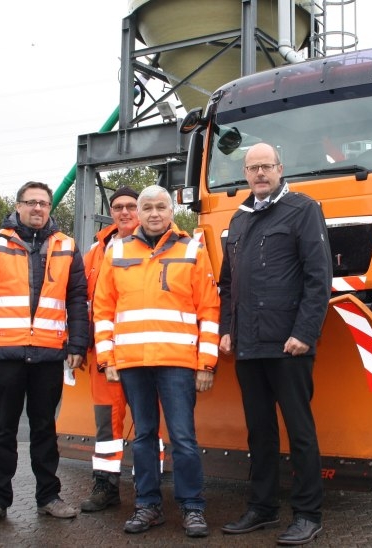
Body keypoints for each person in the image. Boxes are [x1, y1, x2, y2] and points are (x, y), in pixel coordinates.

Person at [218, 143, 333, 546]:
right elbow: (229, 283)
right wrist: (226, 328)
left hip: (288, 345)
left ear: (280, 169)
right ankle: (262, 508)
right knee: (259, 432)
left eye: (266, 166)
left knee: (300, 431)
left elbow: (319, 277)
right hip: (248, 346)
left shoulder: (303, 210)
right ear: (245, 174)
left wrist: (304, 333)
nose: (260, 173)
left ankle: (307, 514)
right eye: (253, 168)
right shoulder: (239, 217)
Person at [92, 185, 219, 538]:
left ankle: (192, 507)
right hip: (133, 362)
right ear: (140, 212)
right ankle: (147, 506)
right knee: (144, 436)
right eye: (146, 207)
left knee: (183, 437)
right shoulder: (116, 250)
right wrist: (107, 358)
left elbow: (209, 310)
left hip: (177, 362)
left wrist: (206, 363)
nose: (153, 213)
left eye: (160, 206)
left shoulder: (192, 249)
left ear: (171, 210)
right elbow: (102, 309)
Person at [0, 181, 89, 525]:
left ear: (50, 208)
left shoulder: (67, 246)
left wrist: (77, 345)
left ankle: (49, 496)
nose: (38, 208)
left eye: (44, 203)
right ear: (17, 206)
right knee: (2, 430)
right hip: (5, 354)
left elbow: (78, 300)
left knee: (45, 430)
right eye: (31, 202)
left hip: (49, 355)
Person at [79, 186, 148, 512]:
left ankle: (148, 491)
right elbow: (82, 302)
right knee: (106, 426)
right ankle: (105, 487)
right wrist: (80, 344)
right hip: (105, 355)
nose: (124, 212)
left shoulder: (161, 245)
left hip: (144, 352)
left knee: (148, 423)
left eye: (131, 206)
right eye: (118, 206)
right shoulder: (96, 251)